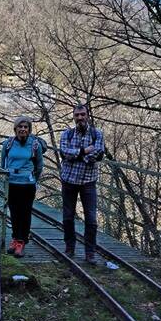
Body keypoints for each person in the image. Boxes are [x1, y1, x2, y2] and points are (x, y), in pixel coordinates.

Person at [59, 104, 105, 264]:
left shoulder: (97, 134)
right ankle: (69, 247)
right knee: (68, 216)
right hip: (69, 180)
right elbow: (65, 153)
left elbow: (98, 154)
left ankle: (90, 252)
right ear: (73, 116)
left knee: (91, 218)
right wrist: (85, 151)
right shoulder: (67, 134)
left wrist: (76, 154)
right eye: (77, 115)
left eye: (82, 114)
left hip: (88, 182)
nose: (80, 118)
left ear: (87, 115)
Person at [1, 116, 44, 258]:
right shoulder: (8, 144)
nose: (23, 129)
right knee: (14, 212)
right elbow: (3, 164)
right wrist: (7, 177)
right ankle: (14, 239)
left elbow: (39, 166)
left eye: (26, 127)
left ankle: (21, 242)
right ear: (15, 129)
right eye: (20, 127)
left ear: (29, 130)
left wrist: (33, 179)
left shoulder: (35, 145)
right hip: (12, 182)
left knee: (25, 213)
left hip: (27, 184)